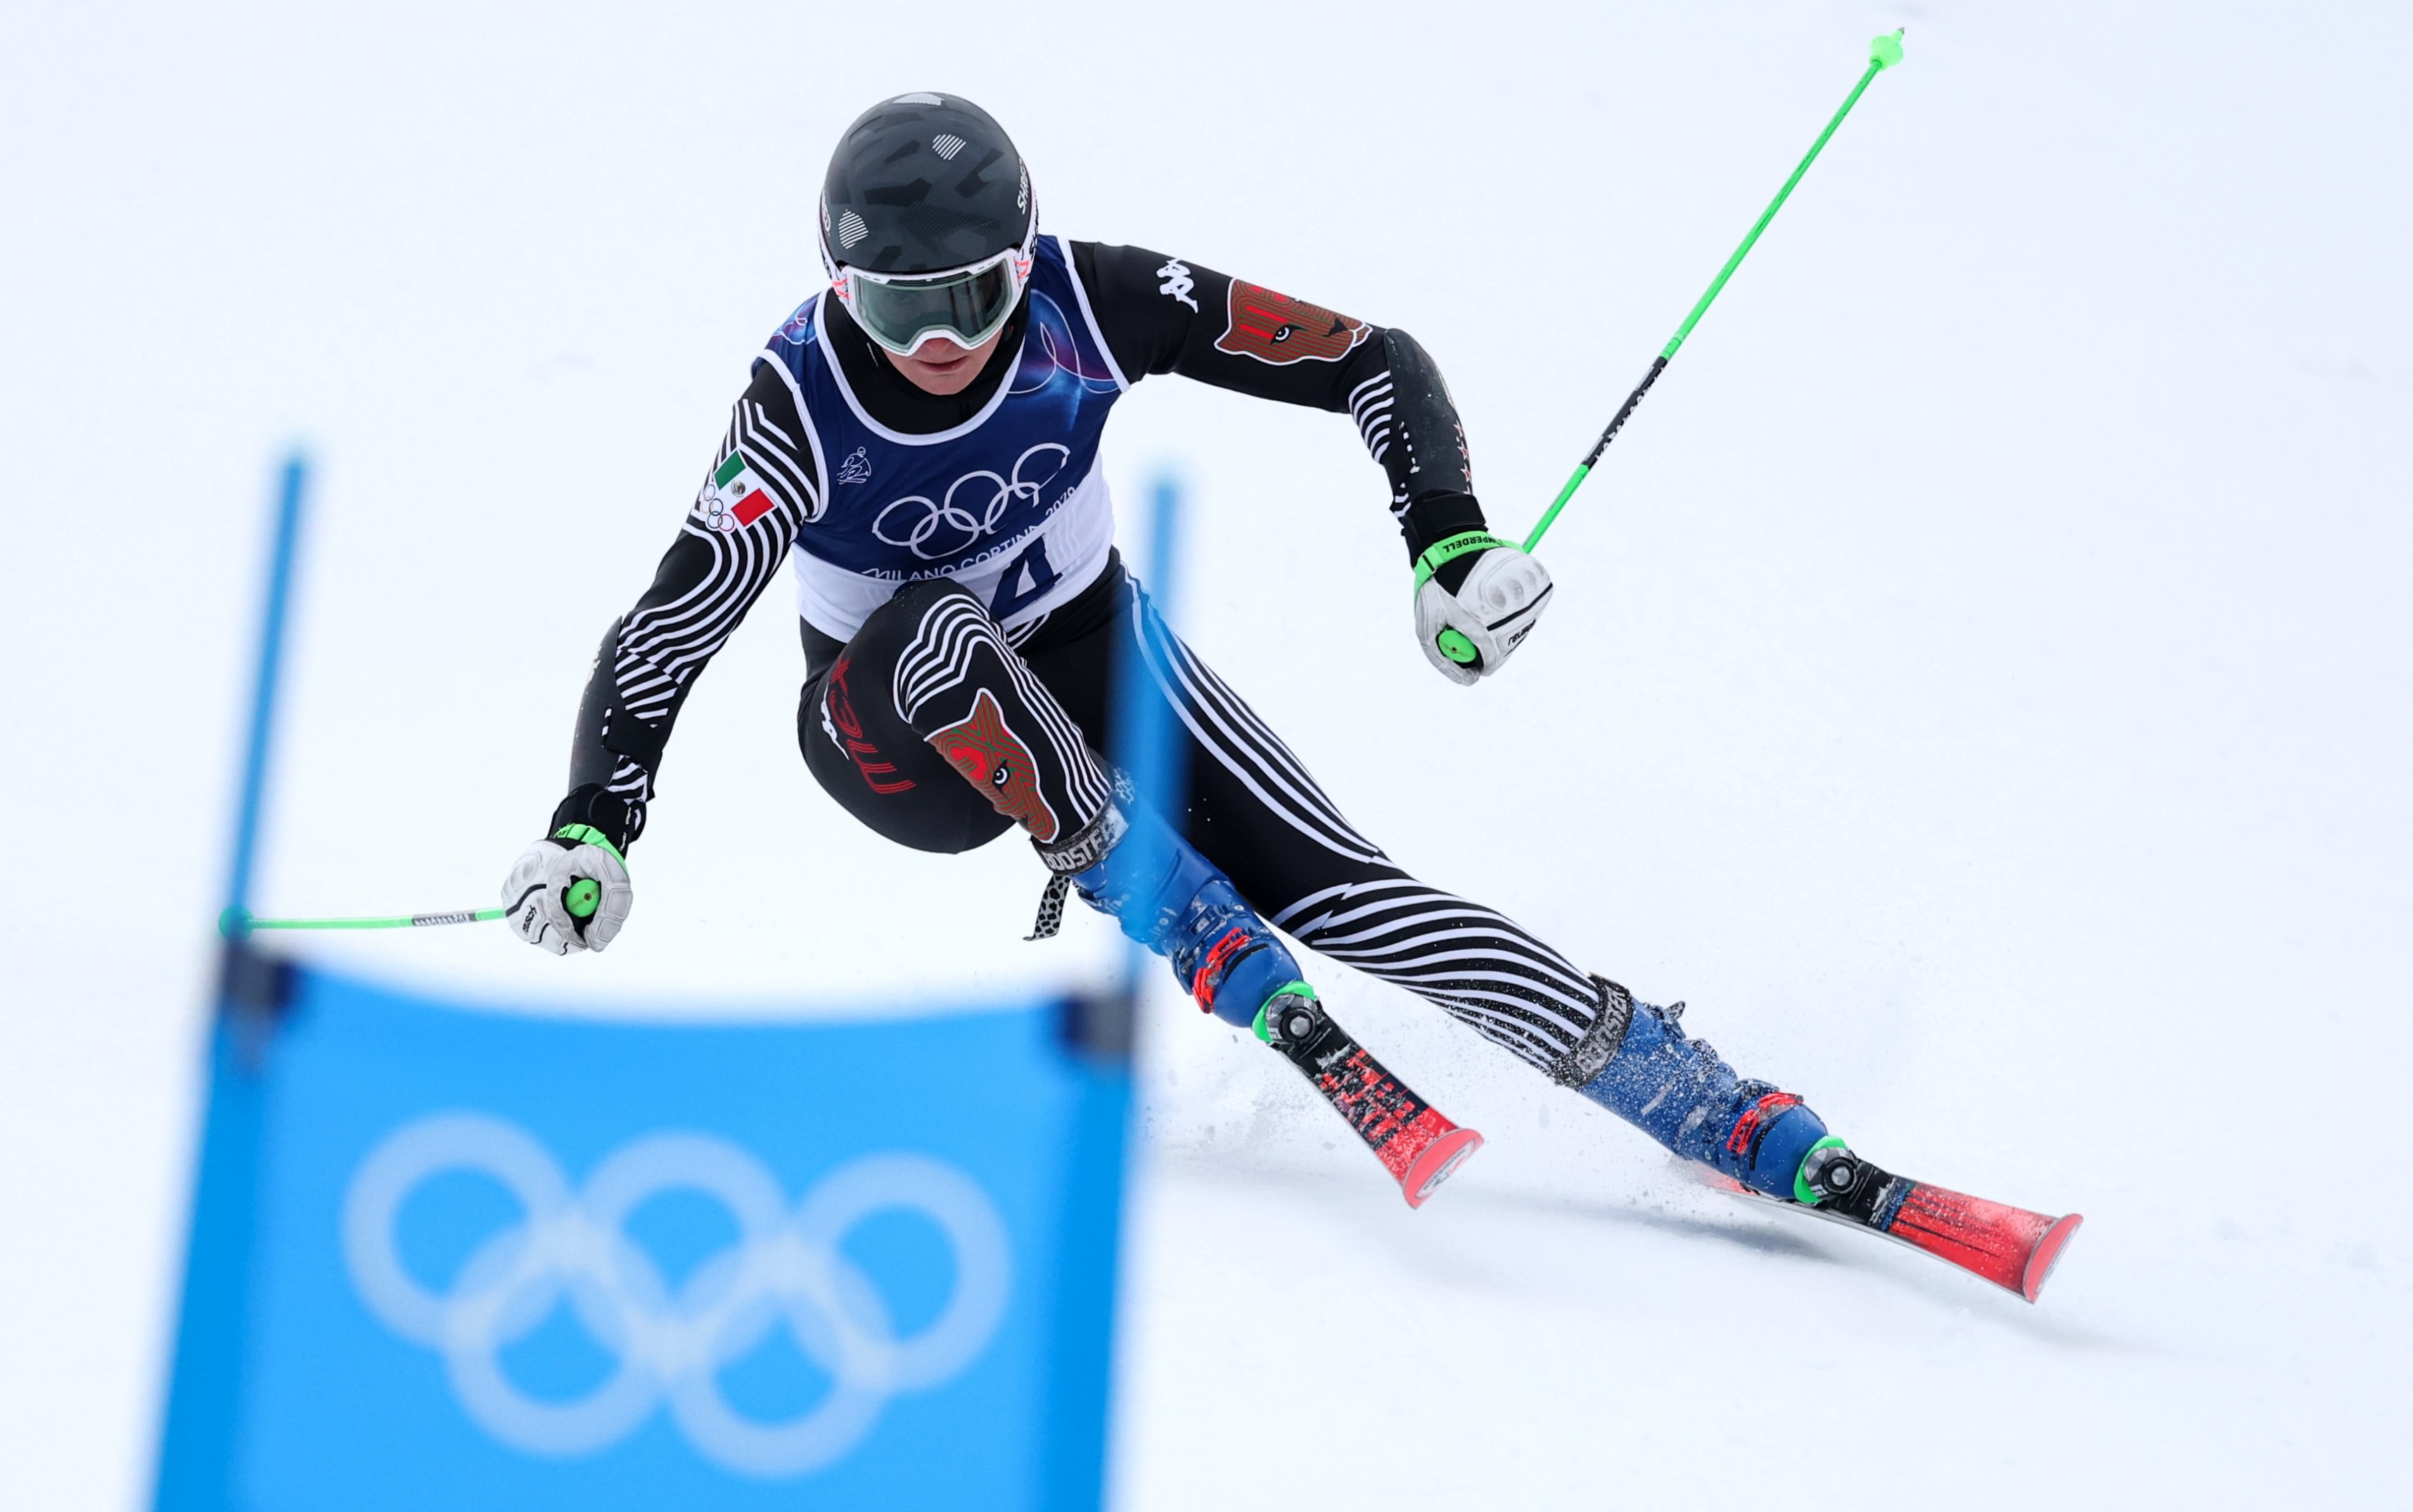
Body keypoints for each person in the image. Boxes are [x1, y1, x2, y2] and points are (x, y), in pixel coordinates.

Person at [499, 91, 1871, 1215]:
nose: (935, 341)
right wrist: (593, 824)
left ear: (1022, 261)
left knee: (1349, 891)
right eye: (891, 305)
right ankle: (1188, 922)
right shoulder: (797, 404)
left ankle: (1689, 1094)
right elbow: (670, 622)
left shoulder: (1086, 303)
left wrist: (1444, 544)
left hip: (1089, 645)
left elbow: (1369, 358)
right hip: (891, 739)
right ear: (834, 288)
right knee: (931, 624)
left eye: (971, 298)